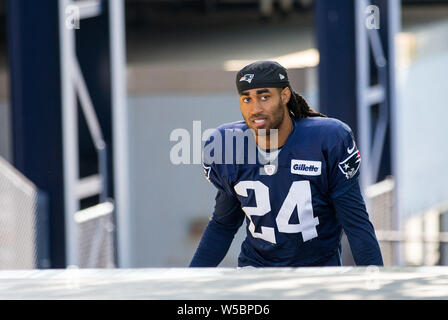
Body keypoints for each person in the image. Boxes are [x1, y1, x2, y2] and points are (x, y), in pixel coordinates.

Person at [190, 61, 383, 267]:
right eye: (247, 99)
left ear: (284, 96)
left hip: (318, 274)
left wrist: (376, 284)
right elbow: (223, 225)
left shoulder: (328, 139)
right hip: (256, 271)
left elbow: (356, 224)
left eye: (264, 97)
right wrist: (190, 282)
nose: (255, 108)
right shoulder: (228, 145)